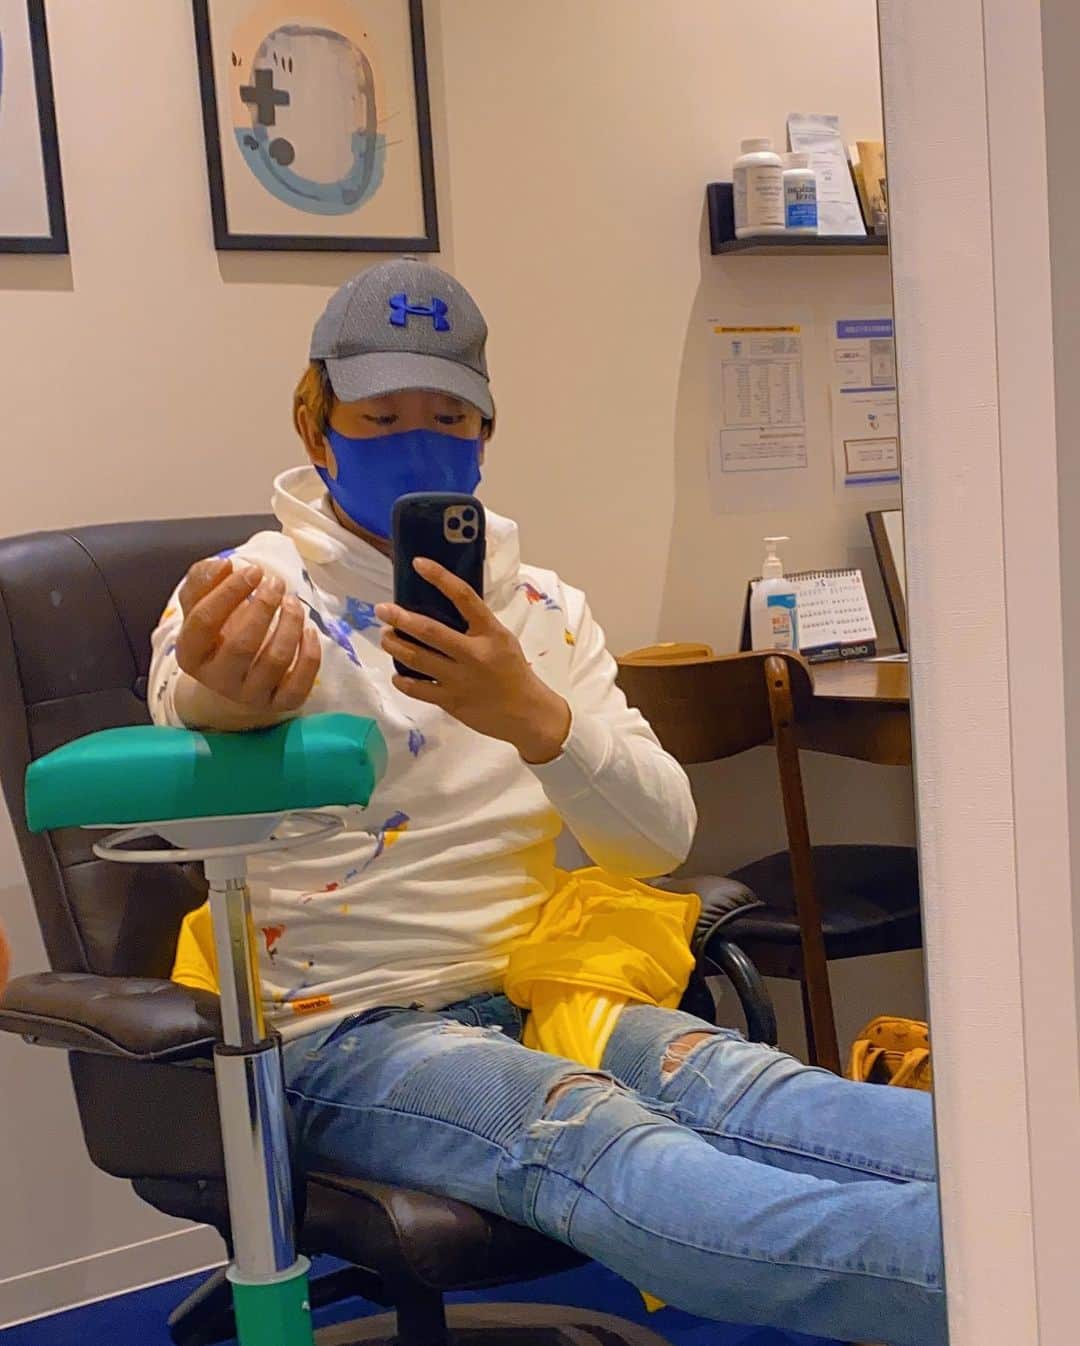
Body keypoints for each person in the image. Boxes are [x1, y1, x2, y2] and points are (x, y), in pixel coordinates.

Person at [149, 259, 944, 1346]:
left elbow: (657, 837)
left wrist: (535, 716)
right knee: (603, 1142)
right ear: (317, 428)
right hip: (346, 1026)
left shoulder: (542, 609)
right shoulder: (248, 596)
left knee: (759, 1090)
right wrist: (224, 696)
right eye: (380, 416)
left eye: (448, 417)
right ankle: (1005, 1267)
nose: (417, 441)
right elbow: (181, 728)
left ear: (485, 433)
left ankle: (1027, 1218)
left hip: (545, 984)